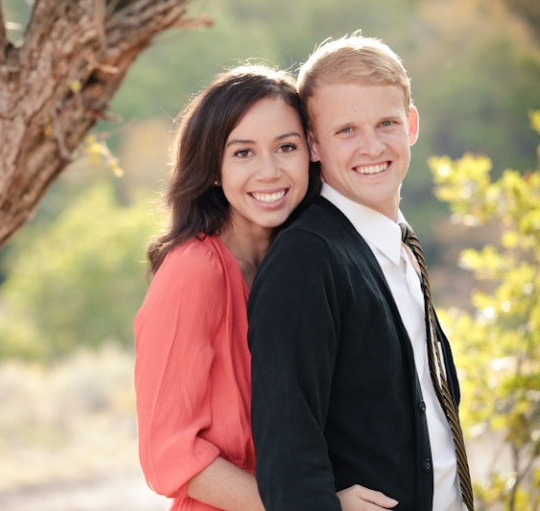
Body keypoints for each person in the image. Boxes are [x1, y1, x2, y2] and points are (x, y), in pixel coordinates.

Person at [134, 64, 388, 511]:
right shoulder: (192, 271)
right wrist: (317, 505)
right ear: (213, 167)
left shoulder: (304, 263)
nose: (269, 172)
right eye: (243, 153)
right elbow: (170, 456)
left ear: (311, 151)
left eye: (285, 147)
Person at [248, 35, 473, 511]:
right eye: (346, 130)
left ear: (411, 125)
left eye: (386, 123)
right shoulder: (306, 262)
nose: (372, 147)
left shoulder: (399, 246)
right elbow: (287, 454)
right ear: (312, 144)